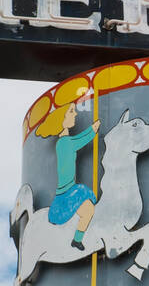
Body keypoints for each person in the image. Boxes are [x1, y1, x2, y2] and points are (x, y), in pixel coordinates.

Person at [36, 90, 101, 249]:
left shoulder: (64, 142)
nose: (75, 115)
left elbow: (77, 140)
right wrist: (93, 129)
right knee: (88, 210)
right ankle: (74, 240)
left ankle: (76, 240)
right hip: (67, 192)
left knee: (88, 210)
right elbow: (80, 140)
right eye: (71, 112)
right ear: (62, 119)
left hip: (68, 190)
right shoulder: (65, 143)